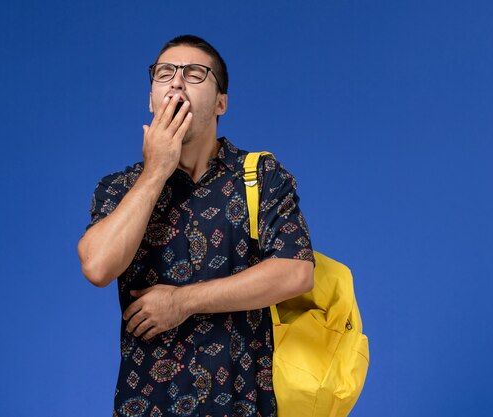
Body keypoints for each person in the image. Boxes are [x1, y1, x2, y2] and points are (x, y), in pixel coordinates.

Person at [78, 34, 315, 417]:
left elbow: (296, 272)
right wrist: (156, 171)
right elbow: (98, 266)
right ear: (151, 99)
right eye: (164, 73)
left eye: (194, 74)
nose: (176, 81)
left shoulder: (260, 176)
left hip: (245, 406)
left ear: (221, 102)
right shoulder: (120, 188)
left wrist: (181, 301)